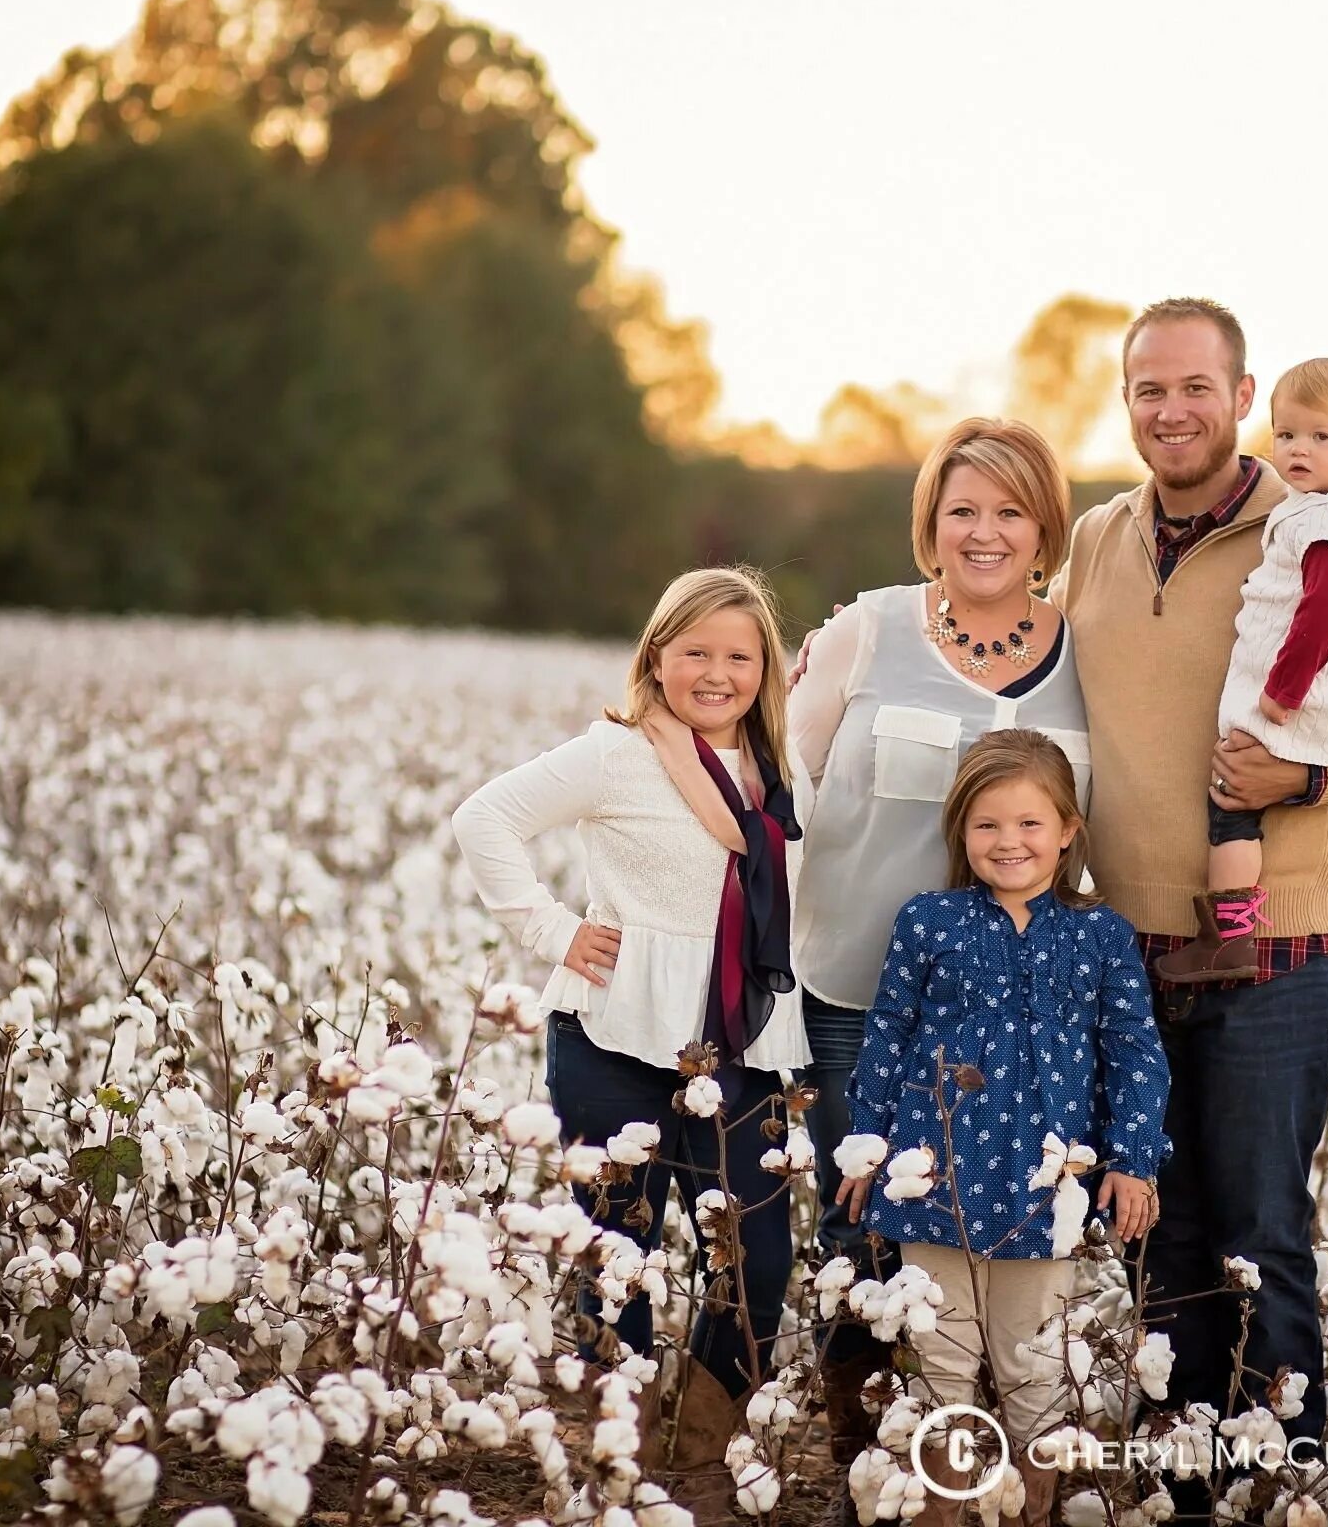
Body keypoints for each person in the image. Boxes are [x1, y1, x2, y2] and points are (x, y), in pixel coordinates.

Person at [1049, 299, 1328, 1471]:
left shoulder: (1323, 524)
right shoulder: (1093, 539)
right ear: (1127, 402)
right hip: (1127, 941)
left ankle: (1283, 1472)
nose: (1171, 410)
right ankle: (1183, 1470)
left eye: (1194, 388)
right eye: (1147, 389)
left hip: (1285, 939)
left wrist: (1314, 772)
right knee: (1153, 1232)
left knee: (1262, 1229)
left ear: (1241, 396)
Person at [450, 565, 810, 1515]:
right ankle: (622, 1433)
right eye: (696, 651)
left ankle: (704, 1435)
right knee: (620, 1242)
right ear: (657, 657)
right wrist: (552, 929)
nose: (718, 672)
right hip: (615, 1025)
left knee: (755, 1251)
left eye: (740, 655)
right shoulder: (617, 753)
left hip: (744, 1035)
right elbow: (484, 818)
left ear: (765, 670)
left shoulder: (780, 767)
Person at [787, 417, 1087, 1511]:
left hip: (1018, 1022)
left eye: (1010, 509)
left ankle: (992, 1477)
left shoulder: (1085, 647)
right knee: (866, 1227)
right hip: (858, 991)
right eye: (962, 508)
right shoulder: (866, 631)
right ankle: (869, 1465)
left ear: (1046, 525)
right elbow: (782, 779)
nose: (985, 530)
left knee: (1001, 1245)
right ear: (930, 523)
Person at [837, 730, 1166, 1527]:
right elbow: (888, 1033)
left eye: (1028, 824)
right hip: (932, 1172)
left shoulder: (1101, 934)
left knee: (1034, 1367)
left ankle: (1028, 1509)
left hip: (1044, 1187)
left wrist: (1134, 1160)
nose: (1008, 842)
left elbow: (1135, 1053)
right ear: (961, 832)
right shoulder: (929, 921)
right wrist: (866, 1145)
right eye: (987, 825)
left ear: (1067, 830)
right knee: (939, 1360)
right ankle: (938, 1511)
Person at [1157, 356, 1328, 984]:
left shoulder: (1320, 520)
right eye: (1286, 435)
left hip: (1299, 696)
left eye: (1320, 437)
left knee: (1233, 797)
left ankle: (1229, 935)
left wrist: (1282, 692)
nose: (1297, 450)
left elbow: (1322, 608)